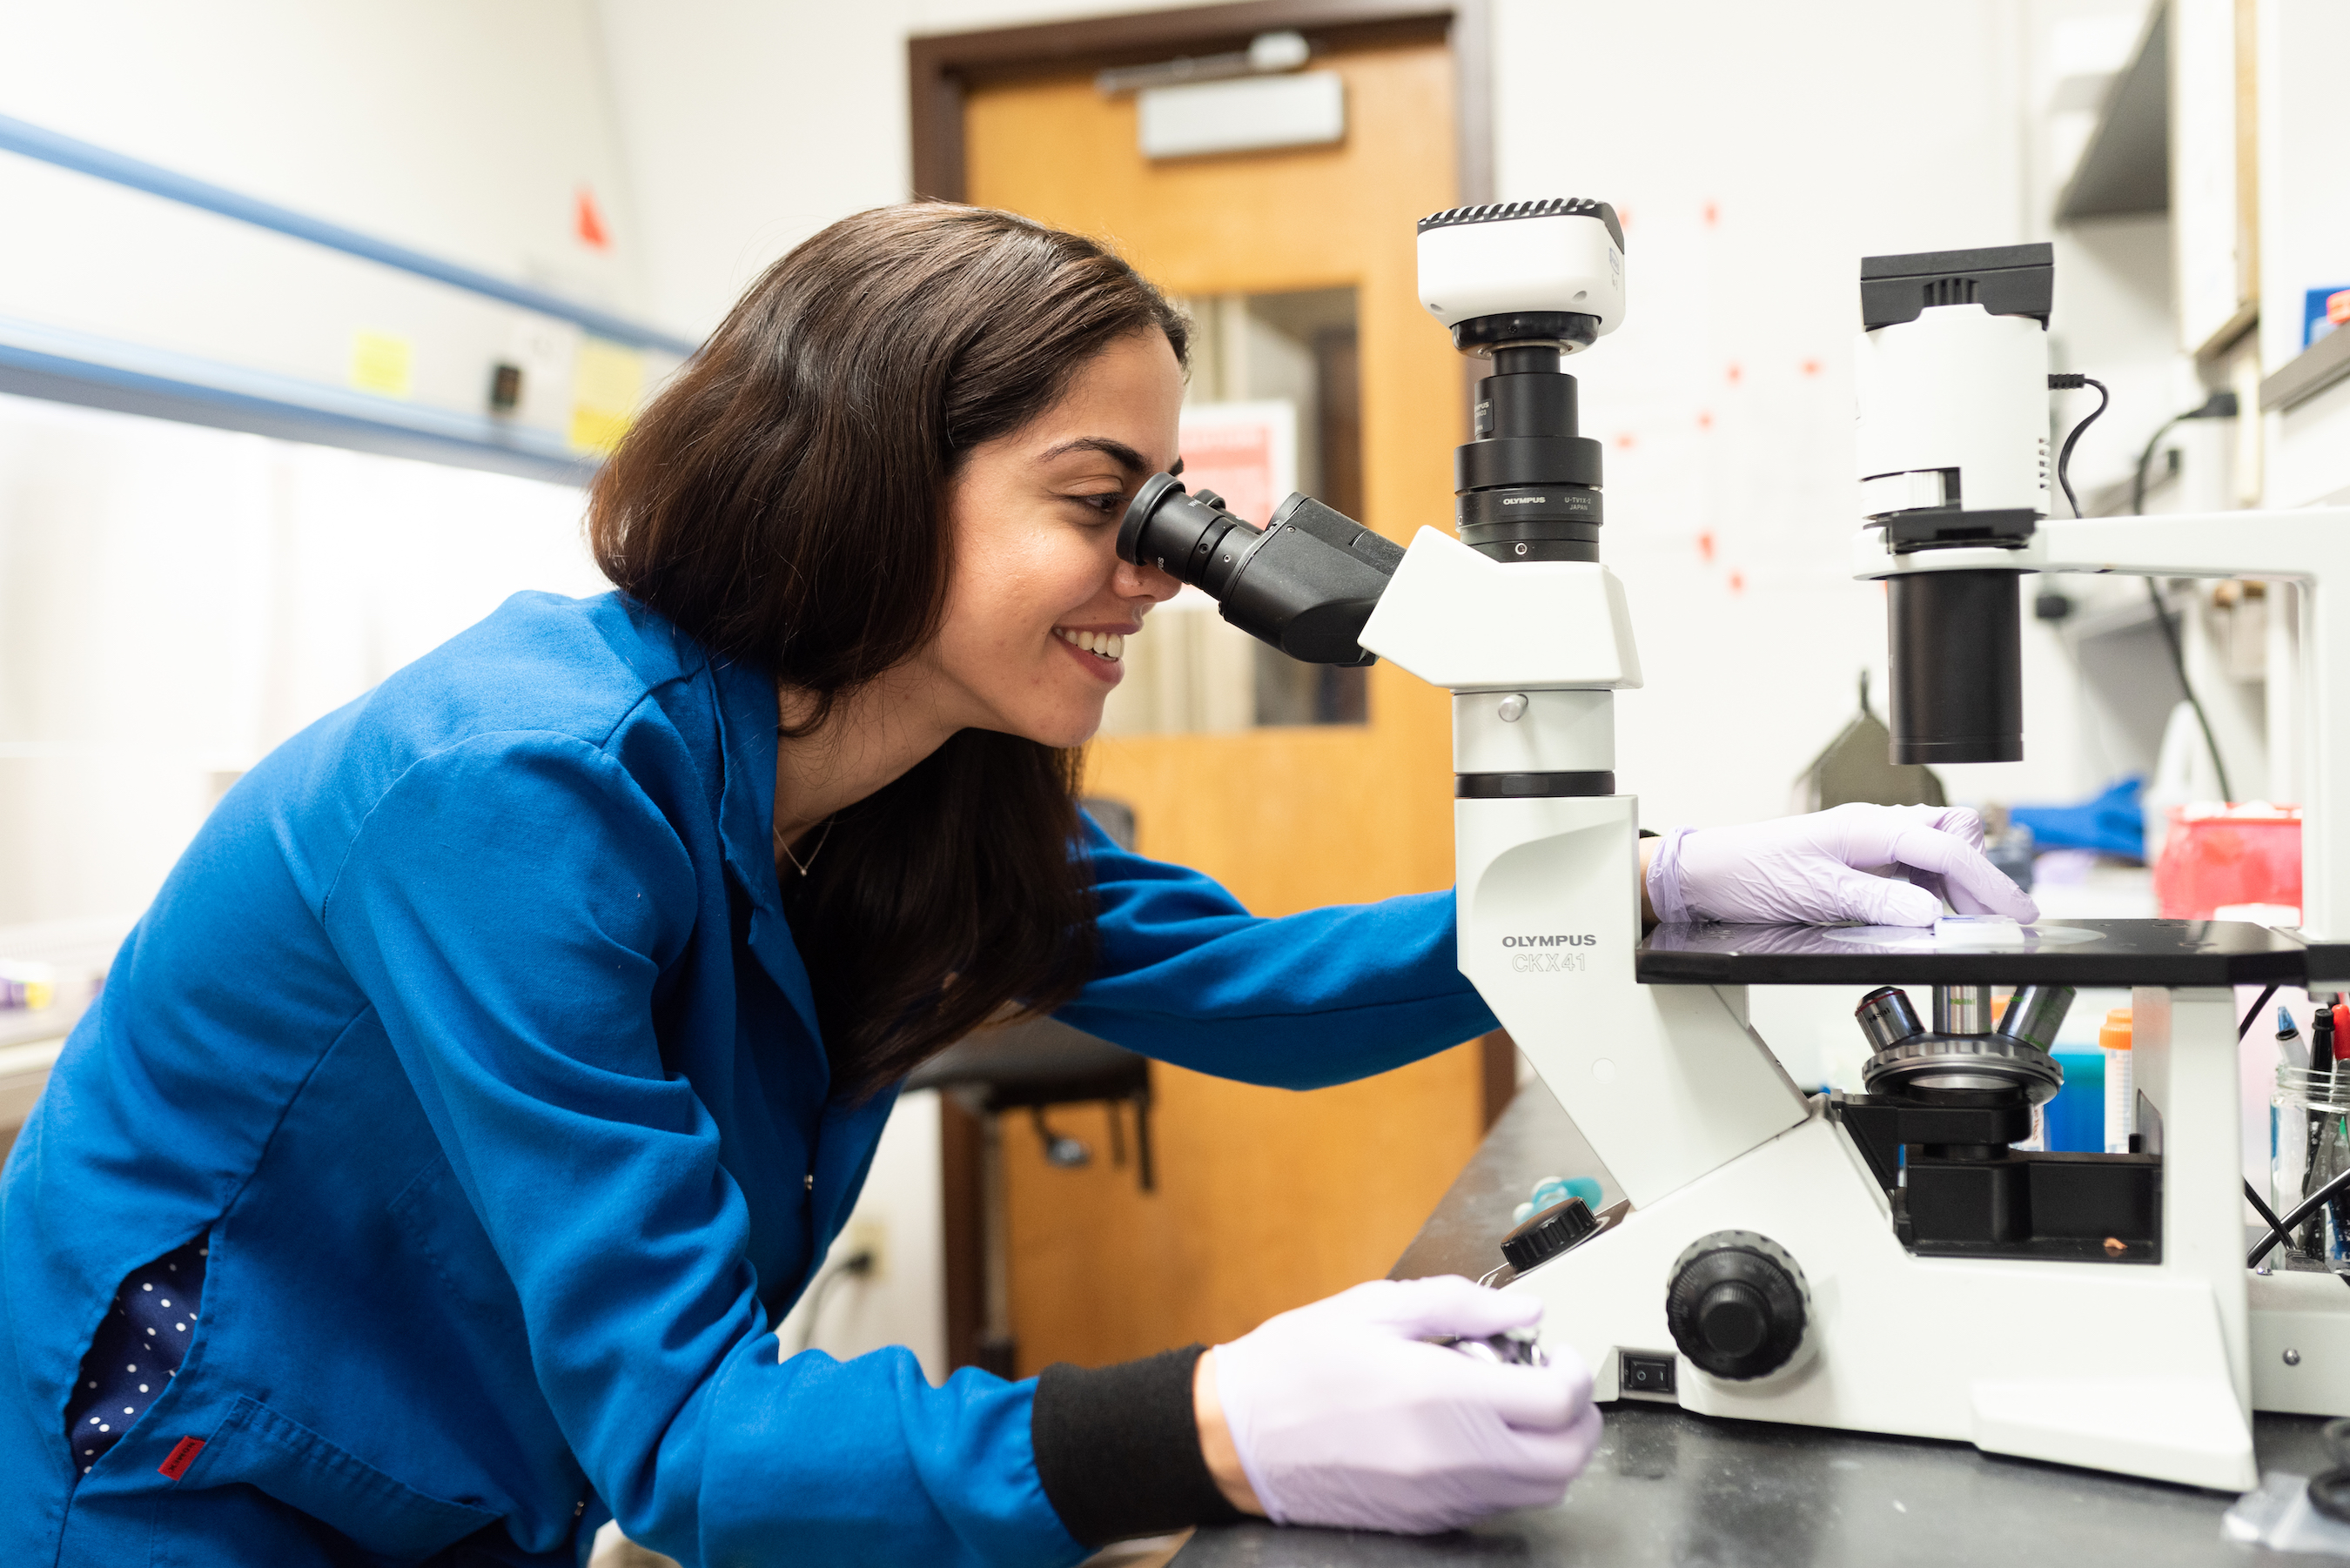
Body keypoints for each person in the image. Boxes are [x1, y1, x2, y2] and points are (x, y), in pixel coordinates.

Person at [0, 204, 2035, 1567]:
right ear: (871, 474)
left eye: (1171, 506)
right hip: (181, 1491)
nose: (1161, 569)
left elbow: (1256, 990)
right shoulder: (517, 787)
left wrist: (1653, 890)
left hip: (454, 1489)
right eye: (1101, 504)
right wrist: (1210, 1423)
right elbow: (699, 1449)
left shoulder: (915, 773)